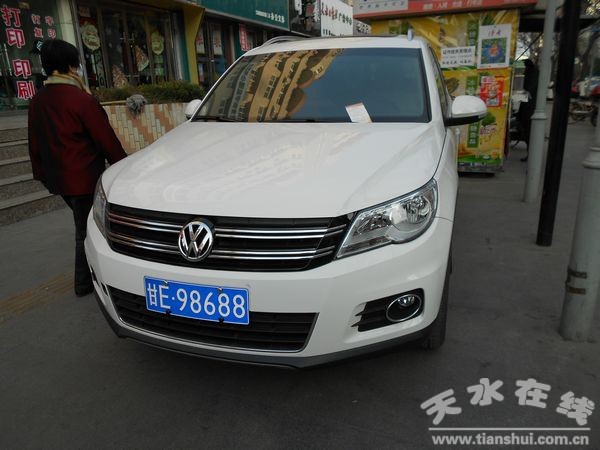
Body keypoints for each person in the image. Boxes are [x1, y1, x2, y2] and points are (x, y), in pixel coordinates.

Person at [28, 39, 127, 296]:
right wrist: (126, 169)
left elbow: (34, 142)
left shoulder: (38, 100)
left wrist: (43, 176)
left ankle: (89, 279)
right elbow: (106, 140)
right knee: (85, 229)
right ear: (71, 66)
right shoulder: (81, 100)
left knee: (84, 224)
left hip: (58, 179)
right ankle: (84, 283)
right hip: (83, 178)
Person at [517, 59, 539, 162]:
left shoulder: (532, 74)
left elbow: (528, 92)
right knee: (527, 132)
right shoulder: (533, 73)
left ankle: (531, 155)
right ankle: (530, 154)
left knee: (529, 133)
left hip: (529, 109)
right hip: (528, 108)